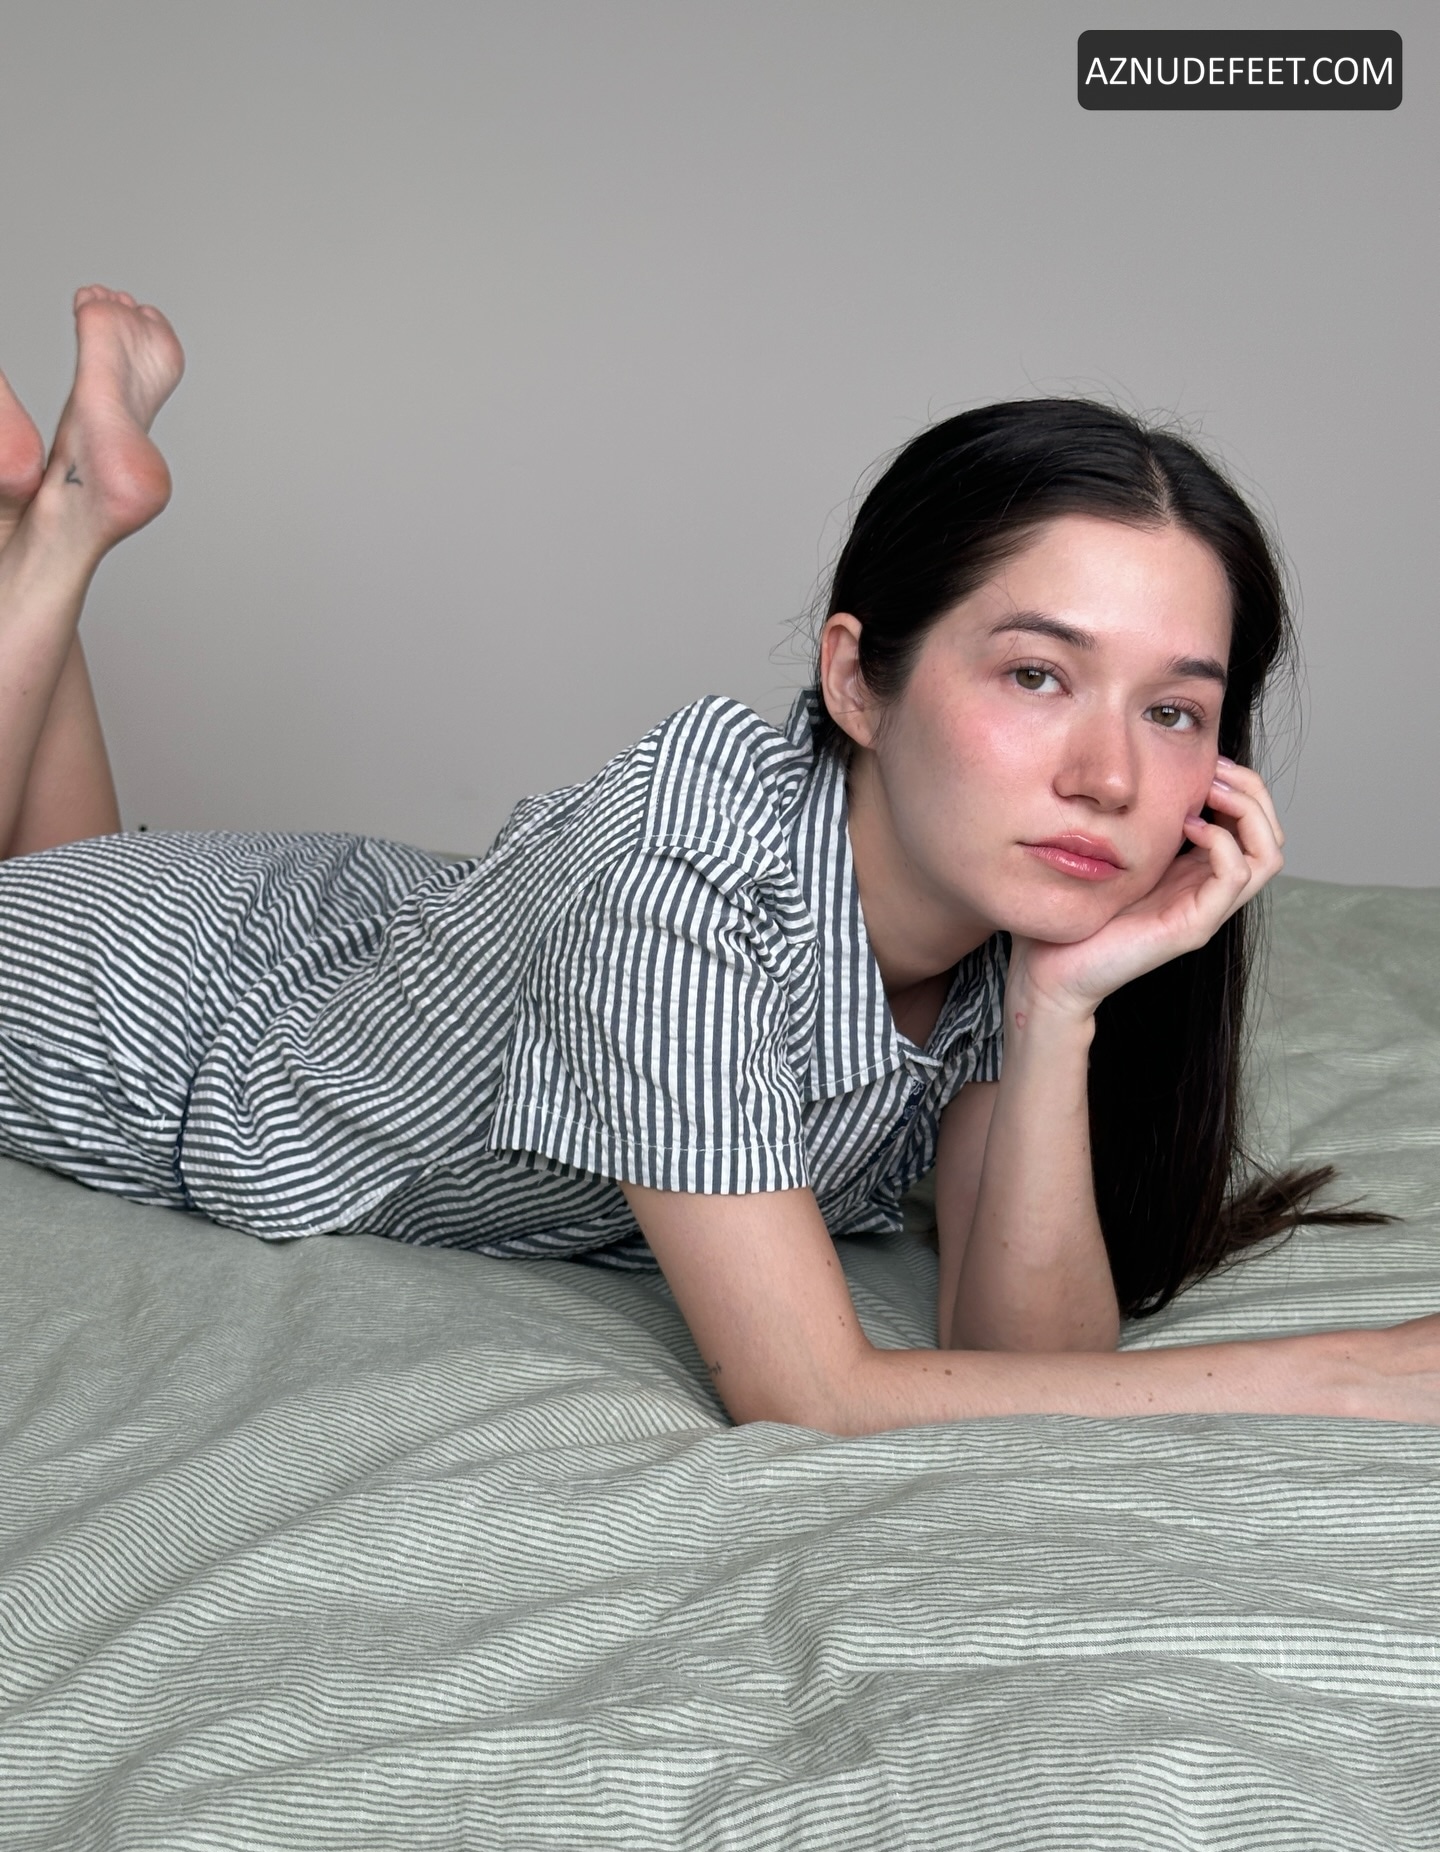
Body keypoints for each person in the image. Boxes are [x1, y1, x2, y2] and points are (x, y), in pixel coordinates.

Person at [1, 286, 1436, 1434]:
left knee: (59, 875)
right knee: (39, 908)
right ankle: (57, 526)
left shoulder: (997, 913)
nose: (1110, 777)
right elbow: (810, 1393)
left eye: (1173, 711)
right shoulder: (674, 883)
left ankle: (50, 517)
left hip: (337, 931)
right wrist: (1333, 1374)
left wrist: (1061, 1007)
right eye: (1036, 676)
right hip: (176, 1022)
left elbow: (1027, 1362)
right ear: (857, 681)